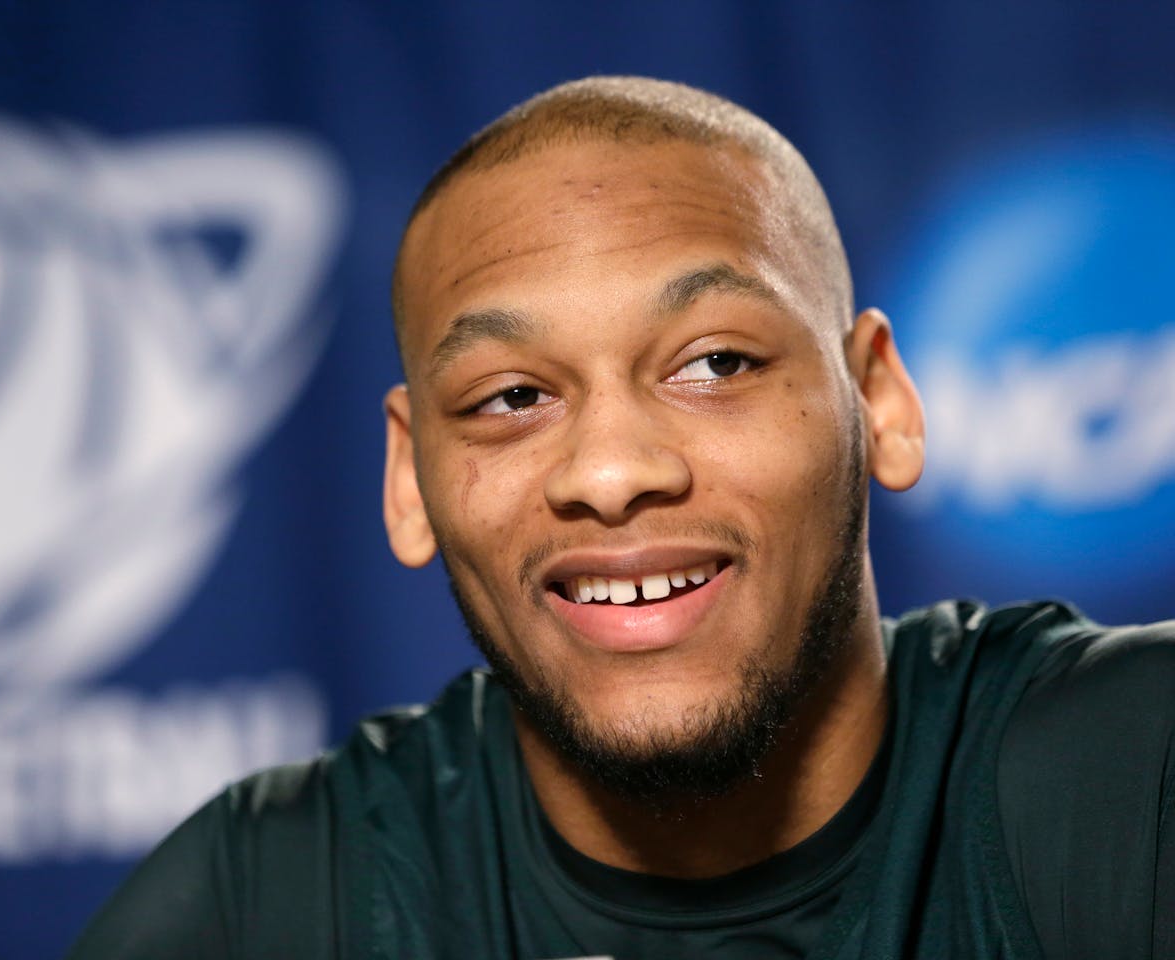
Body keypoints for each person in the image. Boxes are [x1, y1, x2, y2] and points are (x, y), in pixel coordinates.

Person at [67, 76, 1175, 959]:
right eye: (511, 397)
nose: (608, 472)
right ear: (410, 479)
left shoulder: (1134, 774)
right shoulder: (278, 901)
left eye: (714, 363)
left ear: (876, 401)